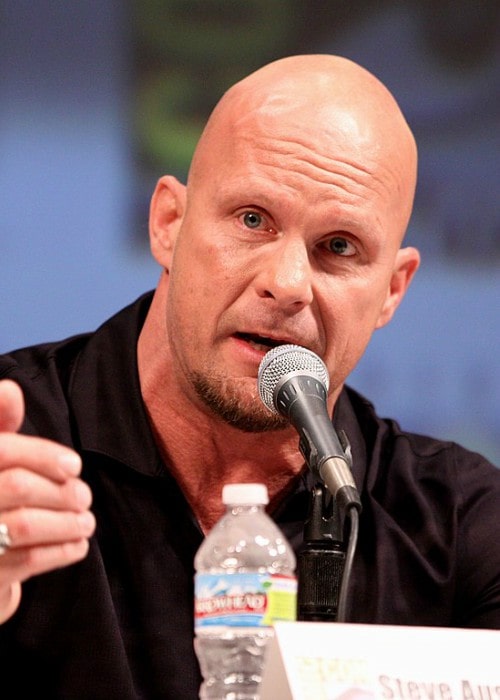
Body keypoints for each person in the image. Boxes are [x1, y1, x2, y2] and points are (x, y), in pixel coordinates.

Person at [0, 54, 499, 698]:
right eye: (252, 220)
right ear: (168, 224)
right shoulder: (14, 449)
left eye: (339, 247)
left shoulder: (459, 525)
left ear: (392, 291)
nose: (287, 285)